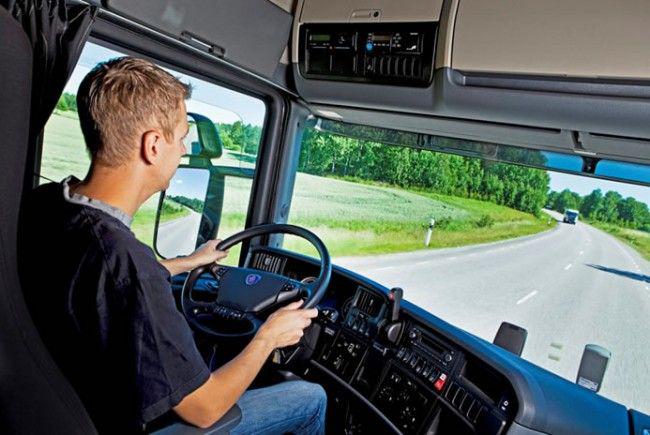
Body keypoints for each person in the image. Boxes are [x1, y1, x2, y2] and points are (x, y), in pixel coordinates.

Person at [20, 56, 326, 434]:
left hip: (63, 405)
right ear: (153, 145)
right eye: (181, 138)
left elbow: (101, 284)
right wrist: (269, 337)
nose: (183, 150)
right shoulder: (128, 265)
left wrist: (184, 263)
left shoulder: (47, 204)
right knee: (310, 398)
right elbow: (204, 409)